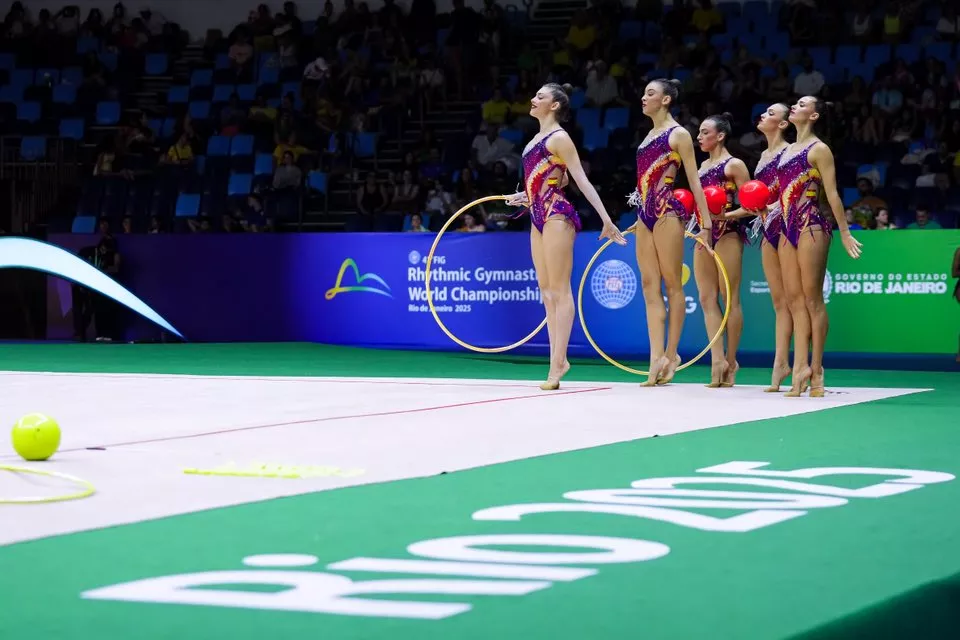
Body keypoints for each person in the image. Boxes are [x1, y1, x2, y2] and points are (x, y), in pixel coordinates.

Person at [505, 83, 625, 390]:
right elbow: (547, 177)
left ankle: (559, 362)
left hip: (557, 213)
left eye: (540, 96)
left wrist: (606, 219)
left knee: (559, 291)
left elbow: (579, 180)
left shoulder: (559, 138)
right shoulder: (534, 140)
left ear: (555, 105)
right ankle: (556, 361)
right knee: (545, 292)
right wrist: (524, 195)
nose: (533, 99)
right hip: (536, 214)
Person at [628, 78, 713, 387]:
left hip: (667, 212)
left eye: (650, 93)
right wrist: (638, 216)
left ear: (665, 100)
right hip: (644, 215)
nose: (643, 97)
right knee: (649, 286)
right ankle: (655, 357)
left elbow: (693, 179)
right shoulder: (647, 135)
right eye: (644, 91)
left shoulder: (677, 134)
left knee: (672, 285)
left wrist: (705, 223)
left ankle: (672, 352)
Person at [777, 96, 863, 397]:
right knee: (793, 300)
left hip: (811, 225)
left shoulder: (820, 150)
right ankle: (799, 366)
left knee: (812, 299)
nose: (795, 106)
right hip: (786, 228)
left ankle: (816, 369)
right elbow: (782, 192)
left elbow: (833, 195)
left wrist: (845, 232)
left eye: (801, 104)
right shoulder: (787, 151)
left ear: (813, 116)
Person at [724, 103, 792, 391]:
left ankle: (806, 364)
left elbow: (791, 194)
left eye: (770, 113)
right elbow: (755, 203)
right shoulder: (763, 156)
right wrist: (722, 216)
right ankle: (781, 363)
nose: (763, 115)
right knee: (779, 302)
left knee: (796, 301)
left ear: (784, 123)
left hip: (791, 227)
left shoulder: (790, 152)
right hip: (768, 230)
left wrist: (771, 209)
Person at [692, 112, 751, 387]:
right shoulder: (700, 168)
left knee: (730, 298)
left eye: (705, 132)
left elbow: (750, 204)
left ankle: (731, 359)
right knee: (706, 298)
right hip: (704, 234)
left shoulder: (734, 165)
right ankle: (717, 359)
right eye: (699, 133)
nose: (700, 137)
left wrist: (724, 217)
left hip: (728, 233)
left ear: (720, 135)